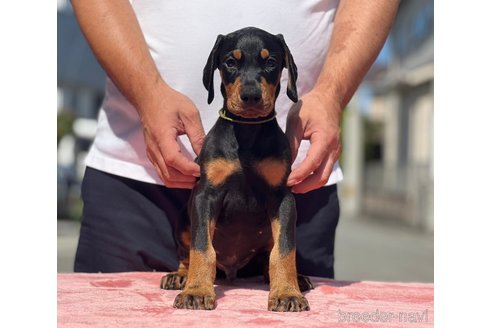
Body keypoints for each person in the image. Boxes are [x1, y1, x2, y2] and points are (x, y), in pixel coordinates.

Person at [71, 0, 398, 278]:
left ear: (286, 74)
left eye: (270, 65)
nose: (252, 89)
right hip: (135, 183)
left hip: (298, 183)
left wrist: (332, 92)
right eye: (232, 65)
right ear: (216, 74)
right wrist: (147, 93)